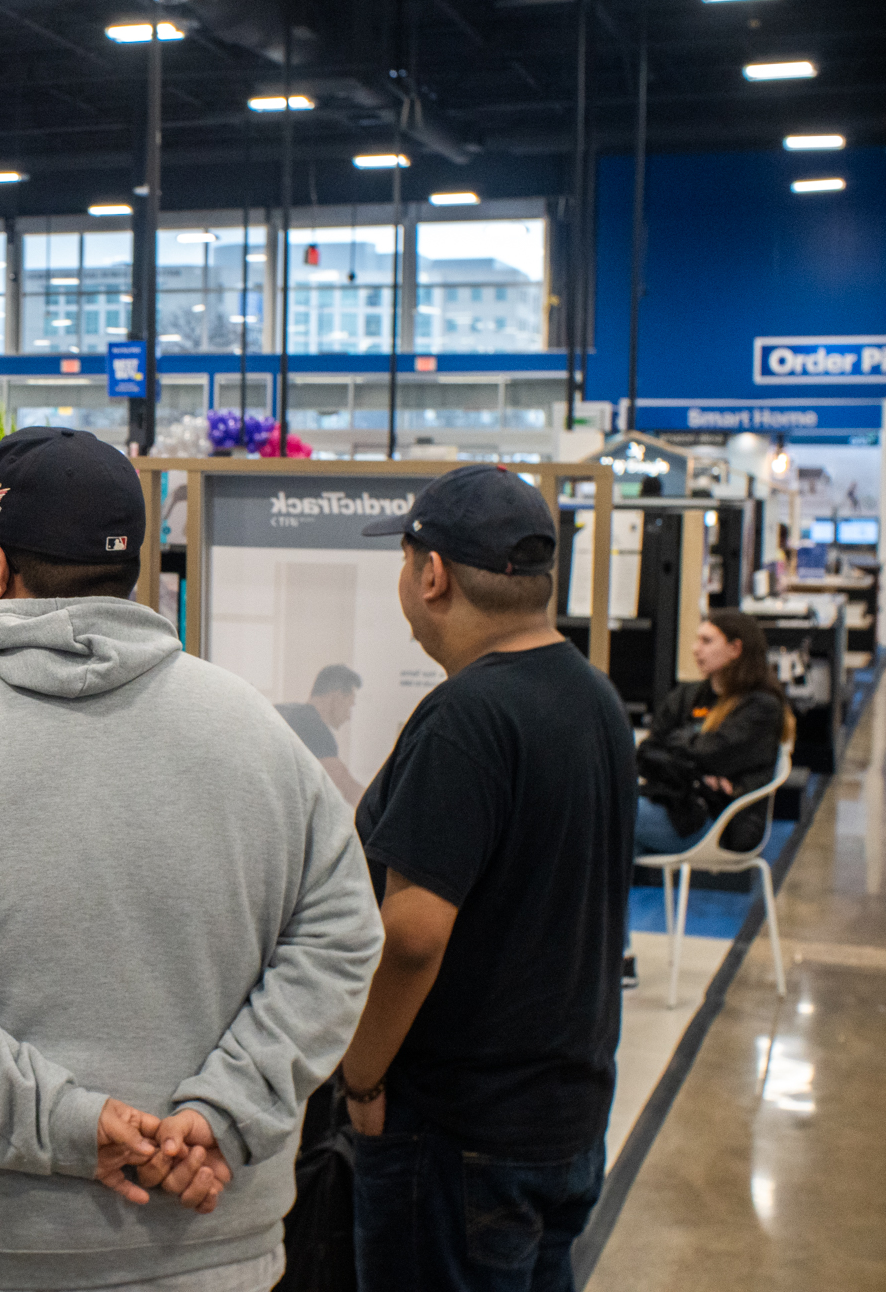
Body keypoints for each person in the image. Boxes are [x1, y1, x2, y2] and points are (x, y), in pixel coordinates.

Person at [0, 427, 384, 1292]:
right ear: (131, 573)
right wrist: (219, 1111)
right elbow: (342, 938)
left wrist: (64, 1121)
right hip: (201, 1249)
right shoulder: (263, 737)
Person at [340, 465, 636, 1292]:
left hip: (457, 1135)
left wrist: (360, 1074)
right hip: (564, 1119)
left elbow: (413, 932)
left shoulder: (467, 716)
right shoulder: (593, 697)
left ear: (431, 574)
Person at [627, 609, 794, 985]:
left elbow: (710, 752)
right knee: (607, 846)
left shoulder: (762, 707)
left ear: (735, 649)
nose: (694, 649)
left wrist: (686, 753)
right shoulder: (689, 695)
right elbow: (648, 753)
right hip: (675, 808)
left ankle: (609, 957)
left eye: (706, 641)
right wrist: (695, 762)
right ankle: (616, 958)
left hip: (717, 826)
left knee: (609, 815)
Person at [277, 664, 366, 804]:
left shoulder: (287, 712)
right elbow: (346, 785)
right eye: (350, 705)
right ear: (337, 697)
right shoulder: (313, 727)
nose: (349, 716)